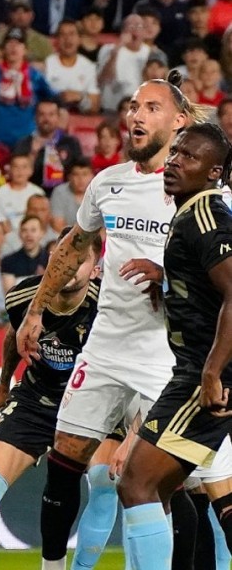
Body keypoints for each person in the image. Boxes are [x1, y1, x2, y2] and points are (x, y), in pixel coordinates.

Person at [15, 75, 210, 569]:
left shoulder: (200, 191)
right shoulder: (108, 183)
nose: (136, 116)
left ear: (179, 121)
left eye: (151, 107)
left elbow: (219, 270)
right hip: (104, 349)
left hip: (167, 356)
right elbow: (73, 246)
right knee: (64, 461)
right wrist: (35, 311)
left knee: (168, 484)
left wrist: (168, 277)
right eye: (133, 106)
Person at [114, 124, 232, 570]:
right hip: (195, 370)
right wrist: (168, 281)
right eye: (176, 151)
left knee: (136, 484)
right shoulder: (191, 214)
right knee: (158, 488)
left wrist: (212, 371)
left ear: (214, 172)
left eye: (189, 156)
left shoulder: (205, 217)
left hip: (205, 375)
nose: (175, 161)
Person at [0, 226, 102, 569]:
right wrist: (3, 383)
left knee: (105, 484)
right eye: (63, 257)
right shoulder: (22, 297)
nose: (70, 266)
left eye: (81, 260)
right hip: (37, 397)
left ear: (96, 269)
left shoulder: (108, 305)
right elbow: (14, 335)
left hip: (95, 404)